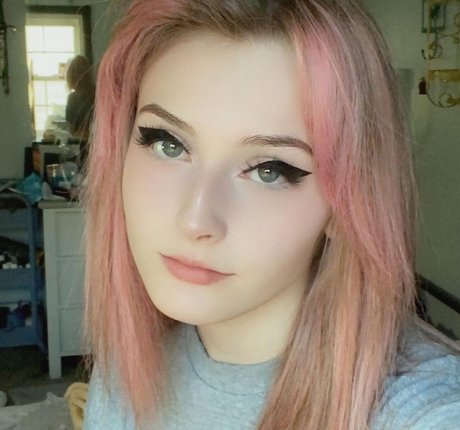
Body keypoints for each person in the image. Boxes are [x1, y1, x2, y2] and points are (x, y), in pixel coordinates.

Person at [82, 1, 460, 429]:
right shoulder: (121, 377)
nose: (195, 220)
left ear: (346, 204)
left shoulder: (422, 412)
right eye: (168, 144)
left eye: (269, 170)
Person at [65, 55, 95, 167]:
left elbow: (71, 129)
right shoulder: (97, 94)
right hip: (97, 144)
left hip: (79, 145)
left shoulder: (73, 98)